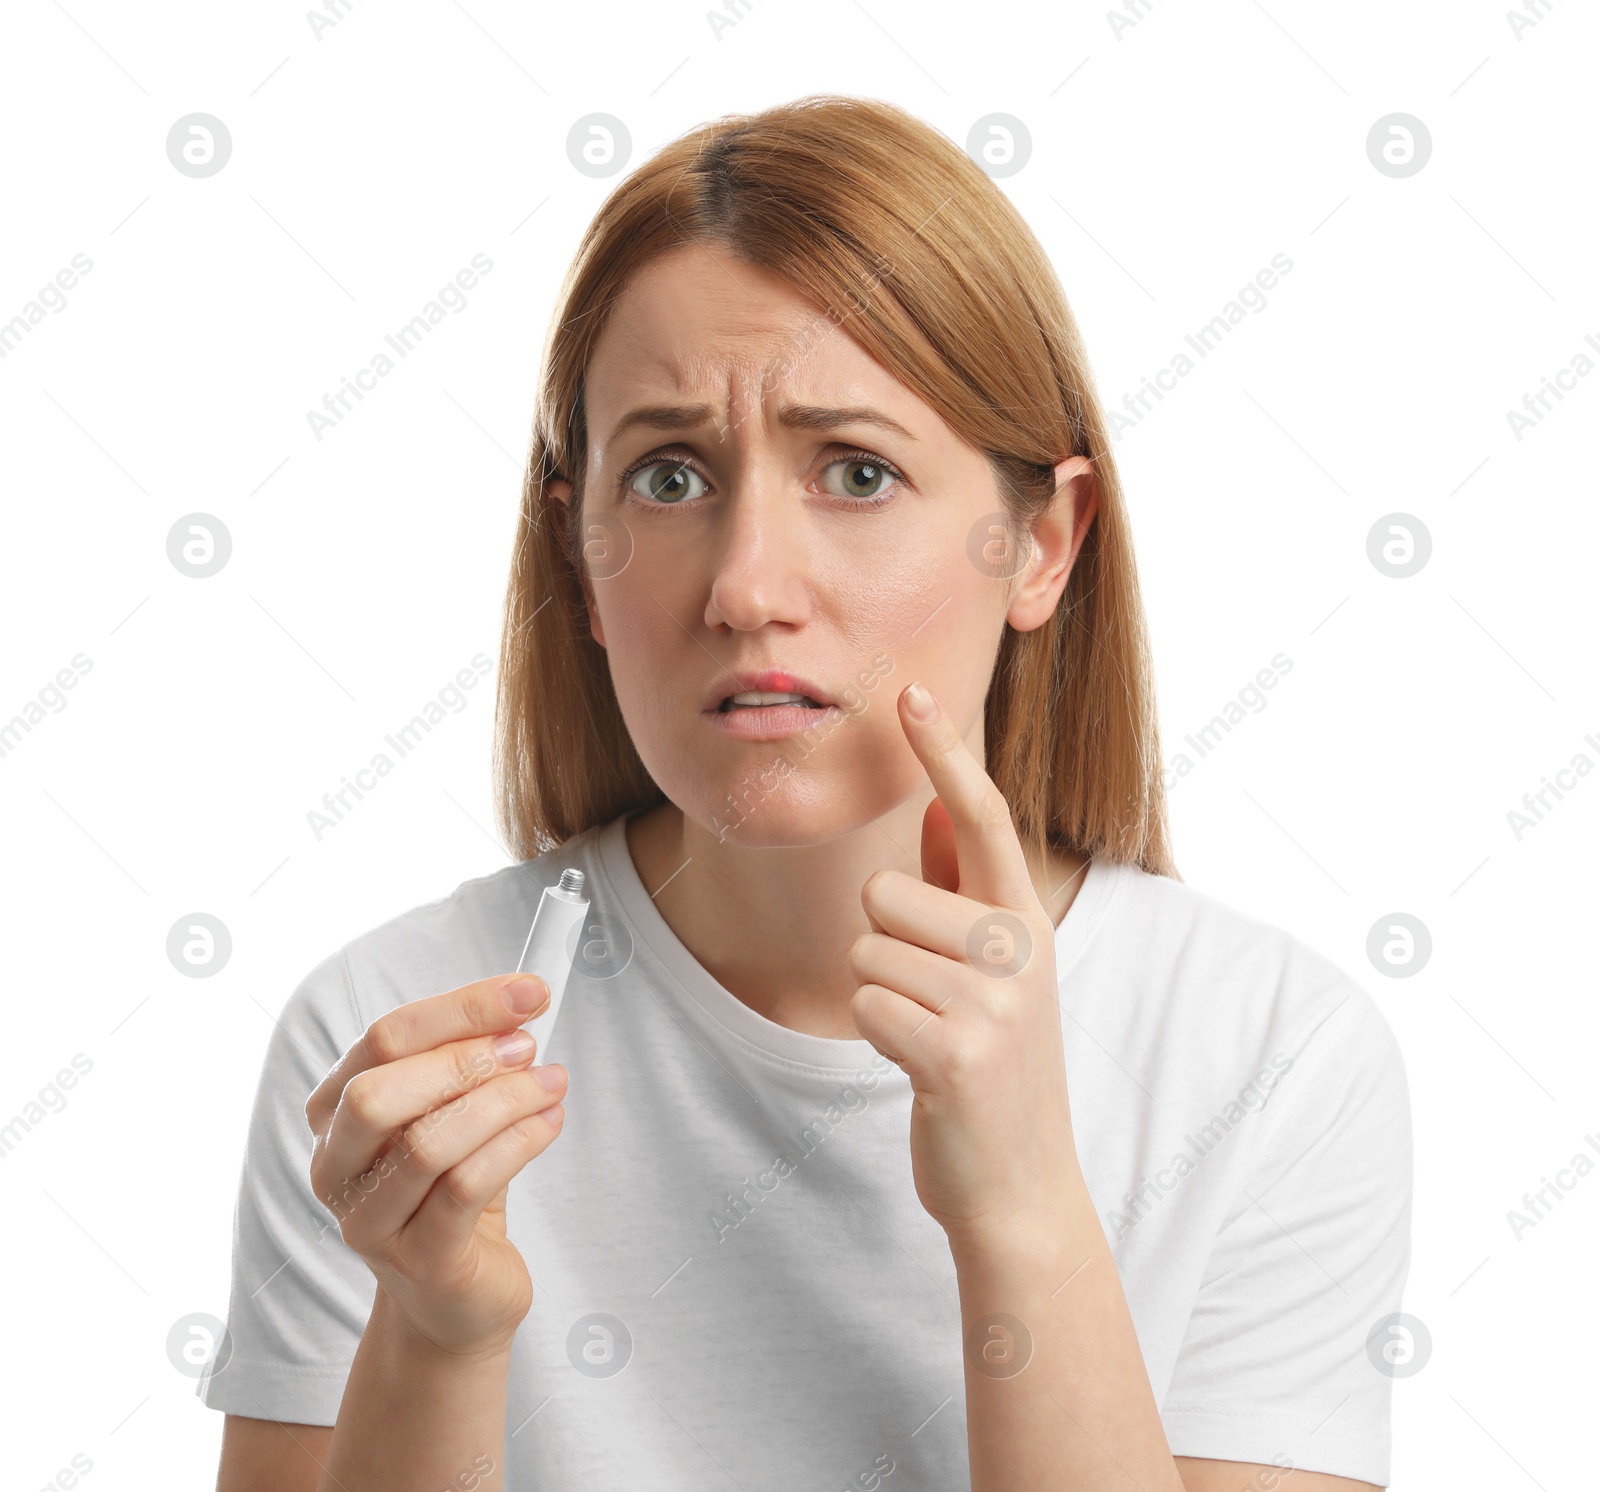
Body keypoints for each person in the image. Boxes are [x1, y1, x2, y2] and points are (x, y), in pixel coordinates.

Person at [204, 94, 1412, 1492]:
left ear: (1042, 544)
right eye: (667, 475)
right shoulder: (393, 1047)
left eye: (857, 471)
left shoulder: (1267, 1059)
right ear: (579, 553)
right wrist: (435, 1335)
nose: (746, 587)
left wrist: (1022, 1208)